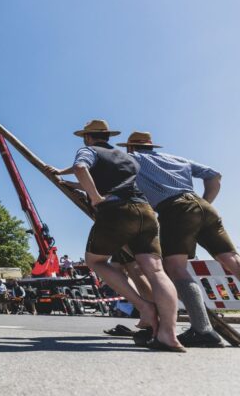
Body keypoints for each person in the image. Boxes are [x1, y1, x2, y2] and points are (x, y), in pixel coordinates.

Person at [47, 119, 184, 352]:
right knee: (156, 271)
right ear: (107, 137)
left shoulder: (87, 150)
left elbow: (82, 167)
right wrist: (64, 176)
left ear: (87, 137)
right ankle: (168, 335)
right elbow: (95, 175)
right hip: (145, 211)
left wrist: (94, 197)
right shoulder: (125, 157)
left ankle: (144, 307)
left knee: (95, 260)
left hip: (117, 212)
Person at [120, 131, 240, 347]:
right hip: (203, 206)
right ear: (151, 146)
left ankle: (202, 330)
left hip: (175, 209)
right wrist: (205, 203)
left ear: (130, 147)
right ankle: (201, 329)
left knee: (175, 268)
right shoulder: (176, 159)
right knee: (232, 260)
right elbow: (215, 175)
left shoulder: (132, 159)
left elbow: (108, 172)